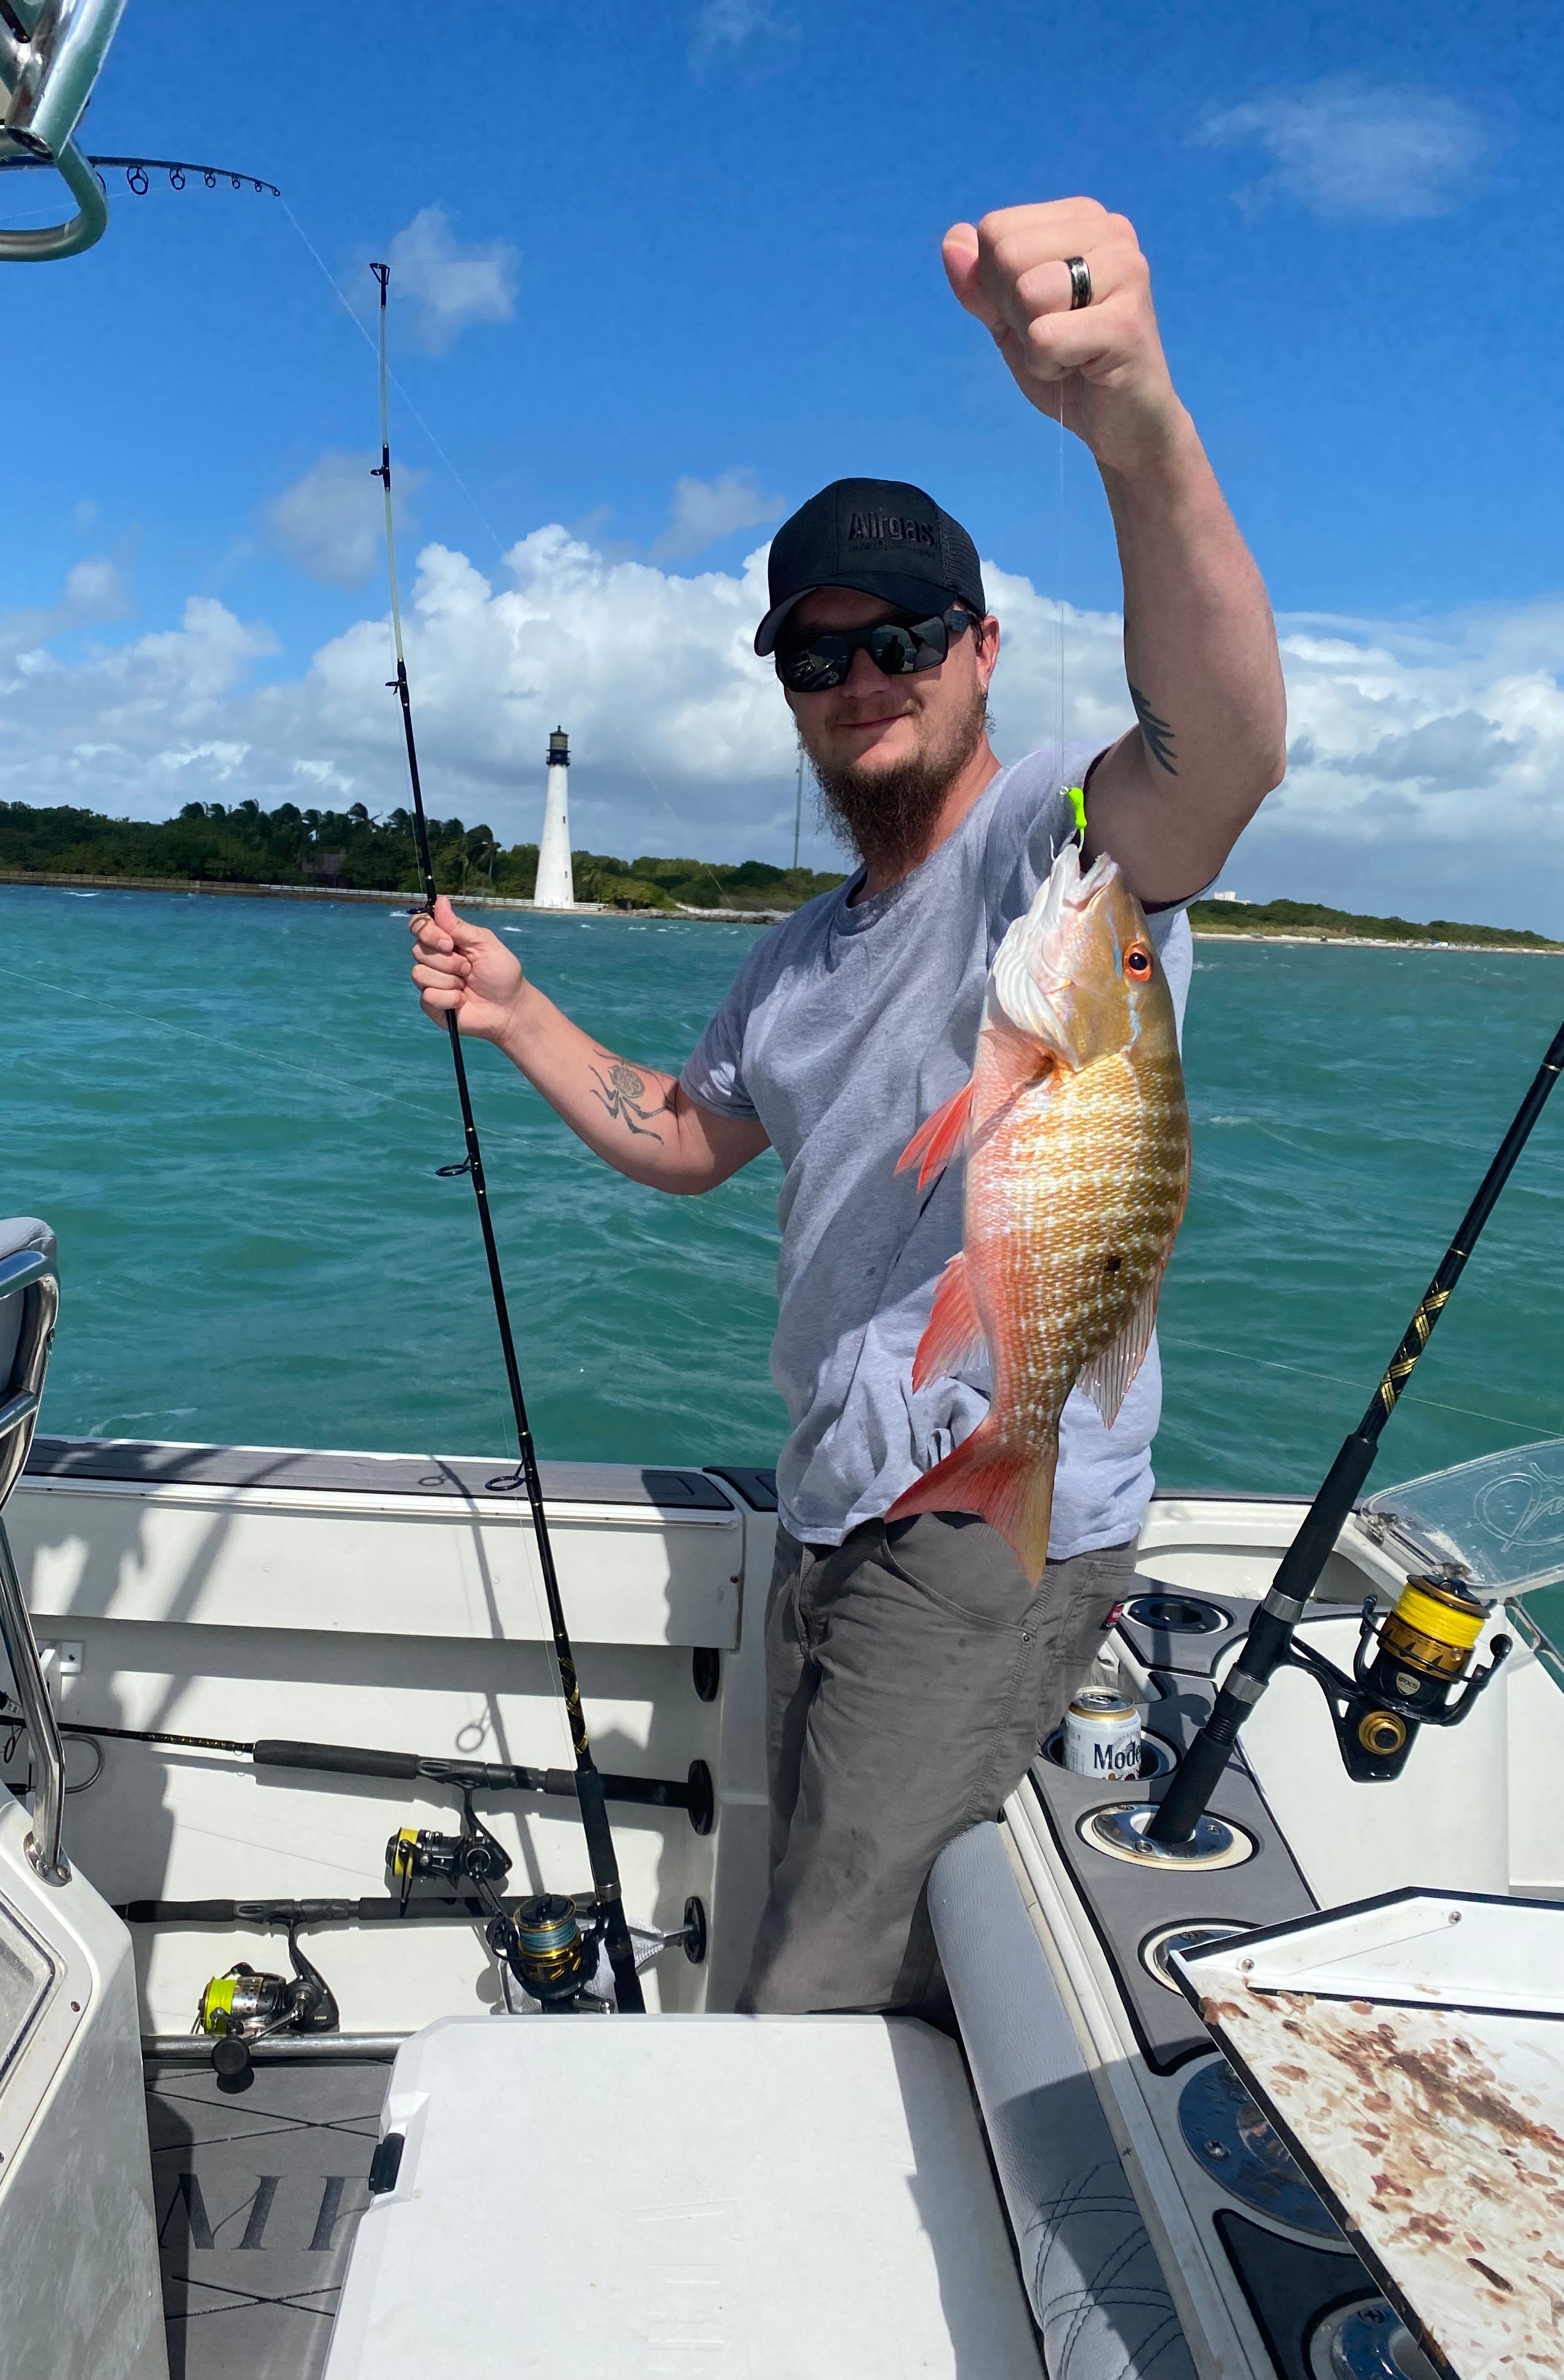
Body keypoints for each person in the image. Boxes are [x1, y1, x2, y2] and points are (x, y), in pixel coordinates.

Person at [410, 198, 1286, 2015]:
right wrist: (514, 1010)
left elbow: (1220, 755)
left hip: (988, 1527)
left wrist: (1134, 419)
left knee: (822, 1972)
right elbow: (681, 1138)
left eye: (903, 635)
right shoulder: (799, 955)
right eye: (819, 658)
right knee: (805, 1910)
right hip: (841, 1506)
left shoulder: (1052, 850)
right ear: (792, 696)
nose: (863, 677)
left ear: (982, 651)